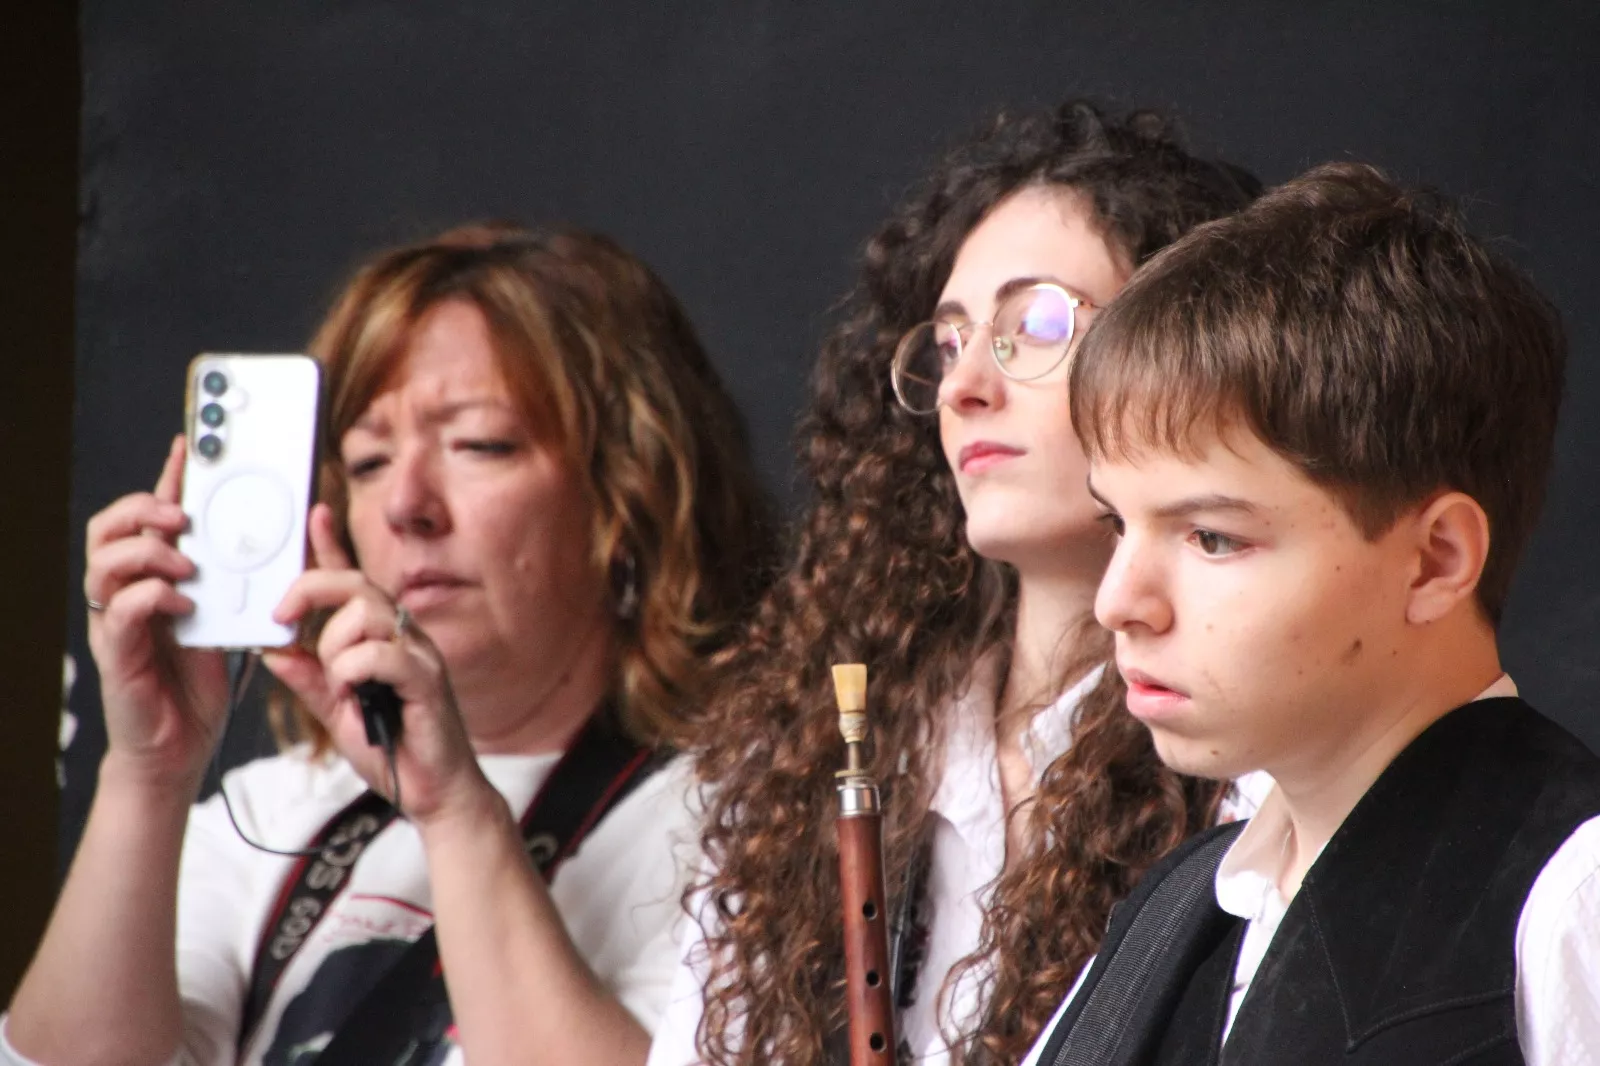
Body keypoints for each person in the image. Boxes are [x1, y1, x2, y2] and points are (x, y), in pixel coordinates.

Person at [5, 225, 774, 1066]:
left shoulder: (741, 822)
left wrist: (454, 812)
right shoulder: (268, 813)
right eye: (368, 461)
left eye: (479, 444)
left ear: (631, 492)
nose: (408, 503)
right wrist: (146, 774)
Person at [647, 101, 1267, 1066]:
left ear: (1181, 354)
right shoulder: (830, 758)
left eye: (1036, 324)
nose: (966, 385)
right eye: (948, 342)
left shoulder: (1254, 781)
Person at [1022, 163, 1600, 1065]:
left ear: (1435, 560)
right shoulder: (1171, 919)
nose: (1118, 602)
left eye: (1211, 537)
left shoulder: (1571, 897)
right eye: (1116, 523)